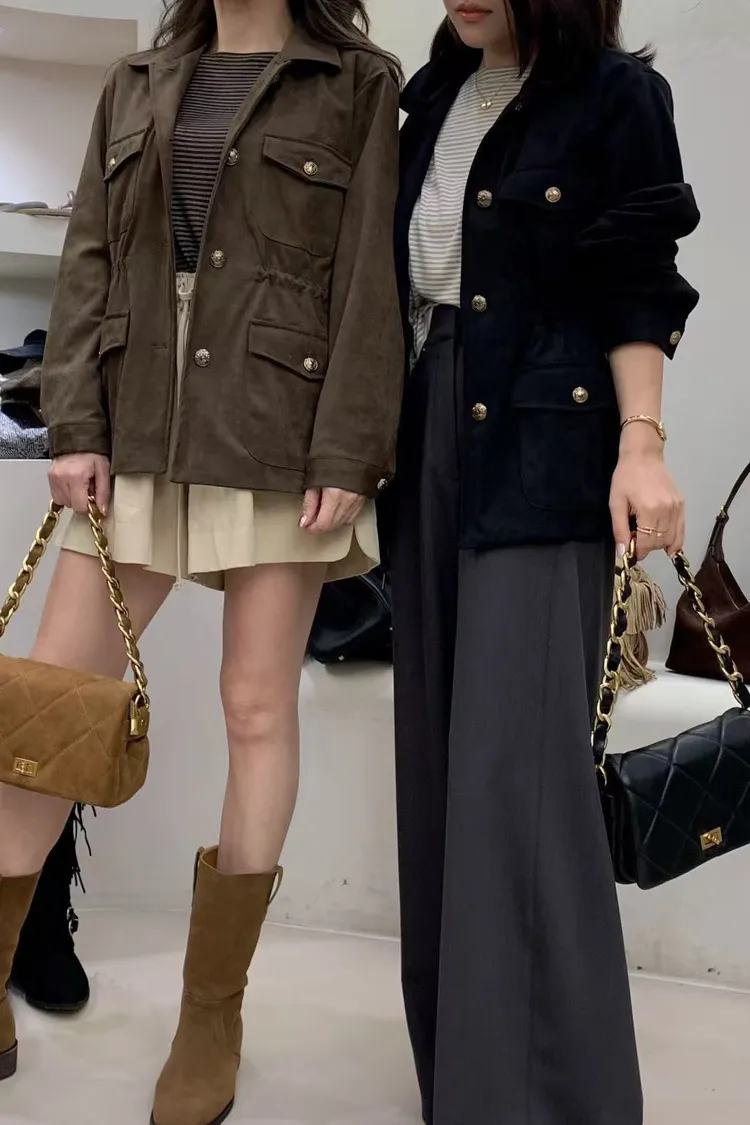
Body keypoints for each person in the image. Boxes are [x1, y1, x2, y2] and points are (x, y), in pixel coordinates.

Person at [0, 1, 402, 1122]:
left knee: (255, 707)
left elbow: (368, 277)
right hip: (136, 415)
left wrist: (351, 445)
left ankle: (210, 1015)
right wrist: (74, 421)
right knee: (56, 703)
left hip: (275, 420)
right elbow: (89, 255)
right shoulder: (136, 79)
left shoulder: (356, 82)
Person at [390, 3, 699, 1124]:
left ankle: (555, 1101)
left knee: (519, 783)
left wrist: (641, 443)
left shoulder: (617, 96)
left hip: (543, 448)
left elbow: (637, 278)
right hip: (424, 437)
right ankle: (464, 1081)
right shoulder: (430, 96)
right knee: (437, 775)